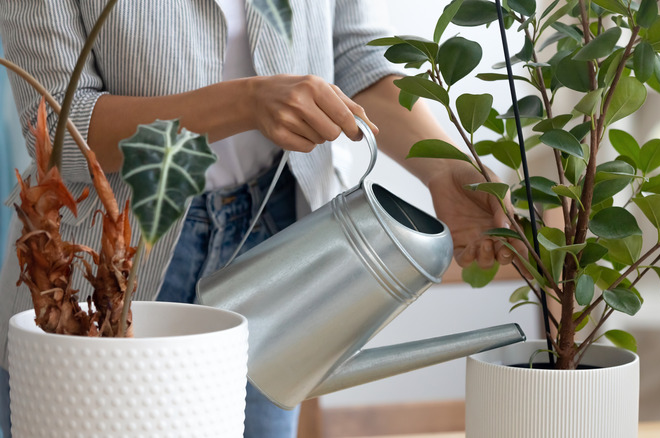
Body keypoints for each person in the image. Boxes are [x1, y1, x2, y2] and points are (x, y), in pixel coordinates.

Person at [0, 1, 521, 437]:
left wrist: (446, 166)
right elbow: (62, 130)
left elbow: (353, 53)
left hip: (282, 232)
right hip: (115, 258)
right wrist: (248, 101)